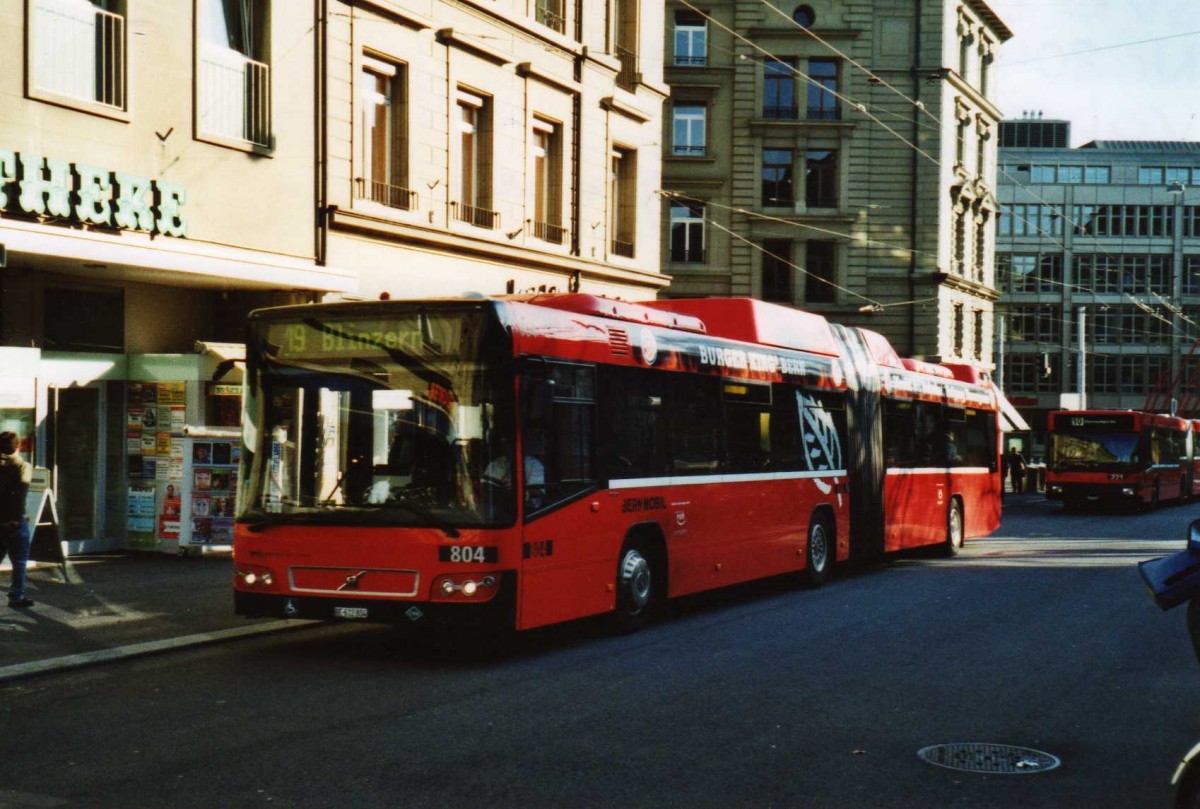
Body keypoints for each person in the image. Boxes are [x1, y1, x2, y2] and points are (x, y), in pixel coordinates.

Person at [0, 432, 34, 609]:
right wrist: (15, 518)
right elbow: (20, 495)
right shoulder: (22, 466)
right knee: (19, 561)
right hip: (13, 522)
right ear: (17, 446)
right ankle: (16, 597)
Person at [483, 441, 545, 509]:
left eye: (508, 441)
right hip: (497, 506)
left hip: (527, 509)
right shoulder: (494, 464)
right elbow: (485, 486)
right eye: (502, 441)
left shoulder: (534, 465)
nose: (505, 445)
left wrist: (516, 488)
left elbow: (539, 492)